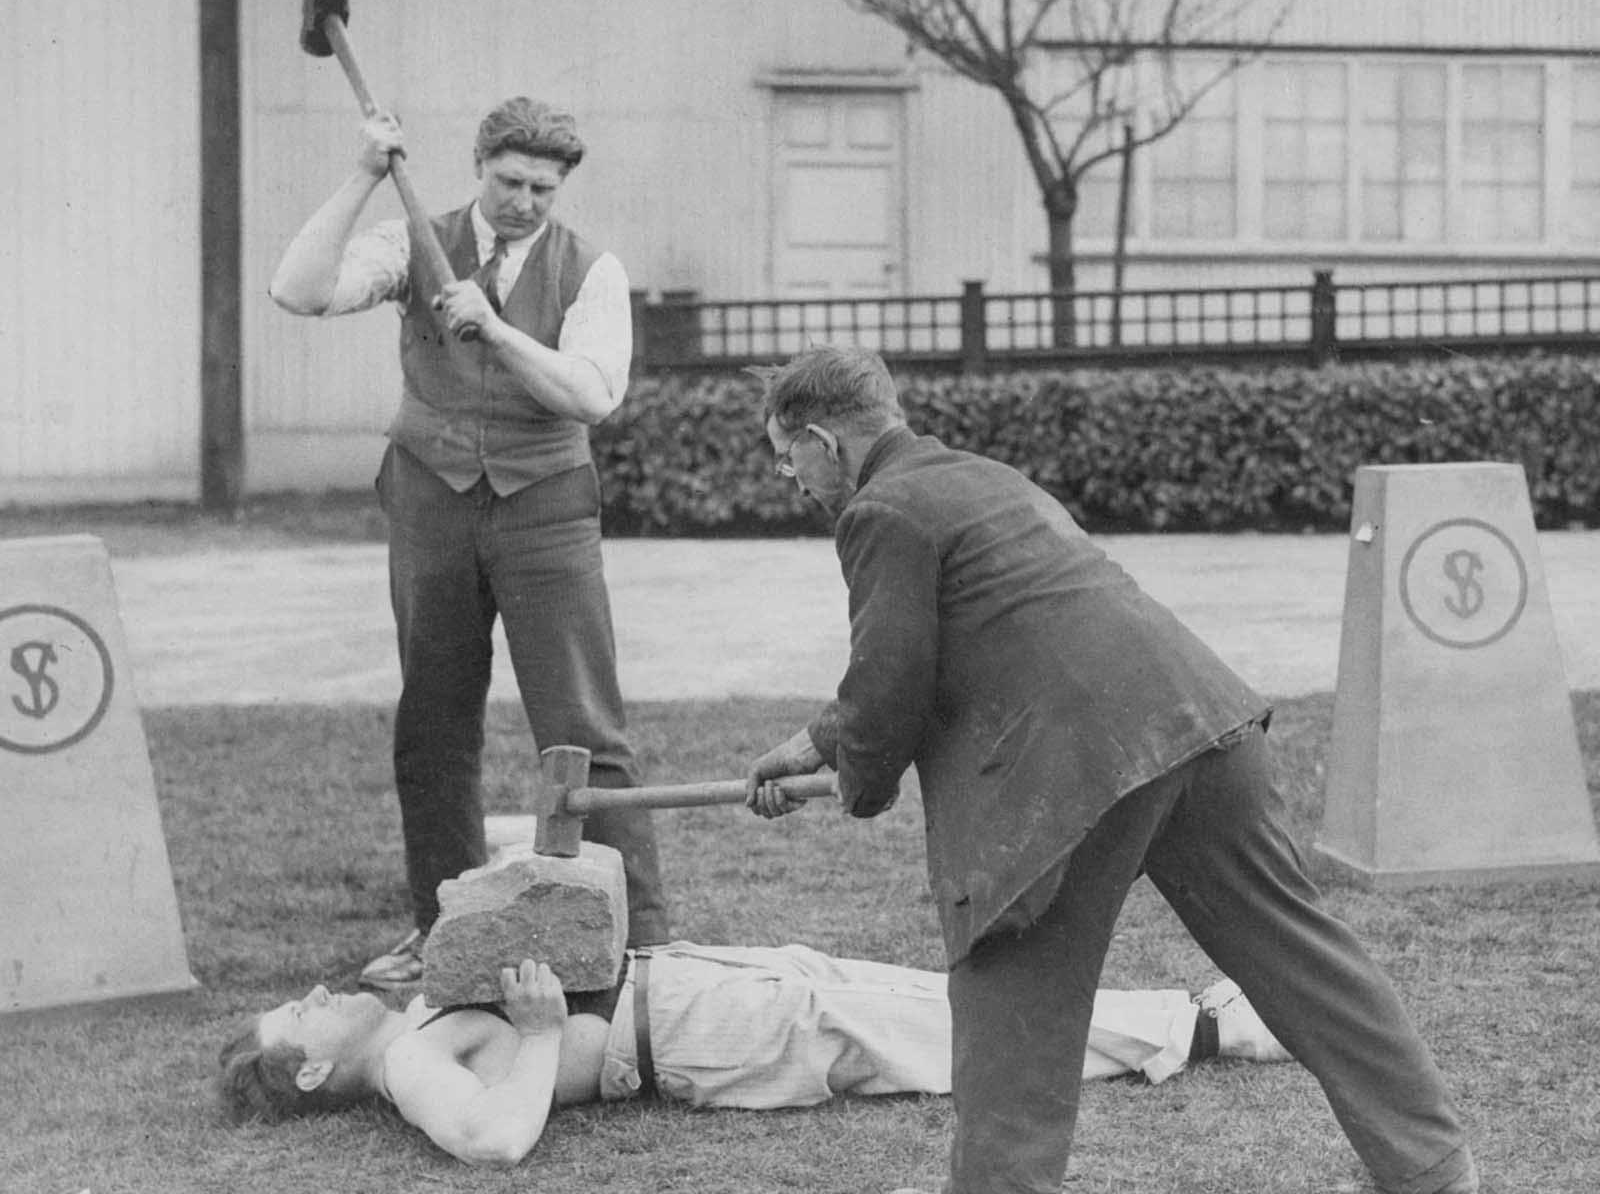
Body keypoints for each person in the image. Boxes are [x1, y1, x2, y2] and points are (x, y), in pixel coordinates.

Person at [742, 345, 1479, 1194]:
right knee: (1301, 958)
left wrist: (859, 777)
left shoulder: (881, 511)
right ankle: (1431, 1166)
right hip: (1202, 725)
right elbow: (975, 639)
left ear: (824, 441)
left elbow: (891, 682)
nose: (786, 476)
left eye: (784, 453)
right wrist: (818, 747)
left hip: (1086, 771)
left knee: (1011, 1001)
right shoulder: (981, 477)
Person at [268, 97, 669, 987]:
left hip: (546, 503)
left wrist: (494, 326)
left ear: (562, 187)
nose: (525, 201)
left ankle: (642, 941)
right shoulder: (416, 238)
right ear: (479, 165)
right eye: (509, 181)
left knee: (581, 724)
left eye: (543, 188)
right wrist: (364, 174)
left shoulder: (591, 269)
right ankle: (441, 927)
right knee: (436, 719)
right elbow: (296, 290)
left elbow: (594, 394)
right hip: (429, 495)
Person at [216, 943, 1289, 1167]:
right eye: (299, 1017)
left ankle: (1186, 1014)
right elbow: (493, 1141)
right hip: (689, 1033)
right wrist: (541, 1034)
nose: (312, 996)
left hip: (685, 983)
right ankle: (1205, 1030)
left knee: (927, 1002)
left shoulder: (401, 1011)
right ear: (313, 1073)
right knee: (929, 1035)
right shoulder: (408, 1072)